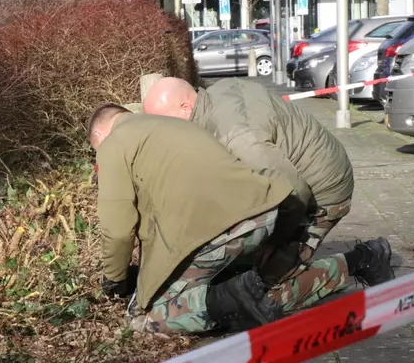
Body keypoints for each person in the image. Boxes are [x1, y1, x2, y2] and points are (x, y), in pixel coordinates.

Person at [87, 102, 393, 335]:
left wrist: (114, 280)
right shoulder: (172, 127)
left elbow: (117, 230)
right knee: (260, 293)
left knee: (151, 319)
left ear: (100, 134)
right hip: (261, 214)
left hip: (216, 231)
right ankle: (361, 259)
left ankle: (232, 301)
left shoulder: (115, 144)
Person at [142, 77, 383, 291]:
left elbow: (294, 193)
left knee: (268, 286)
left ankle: (363, 260)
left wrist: (277, 240)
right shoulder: (217, 92)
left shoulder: (237, 136)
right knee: (244, 262)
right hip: (301, 172)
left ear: (186, 108)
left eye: (164, 123)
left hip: (322, 193)